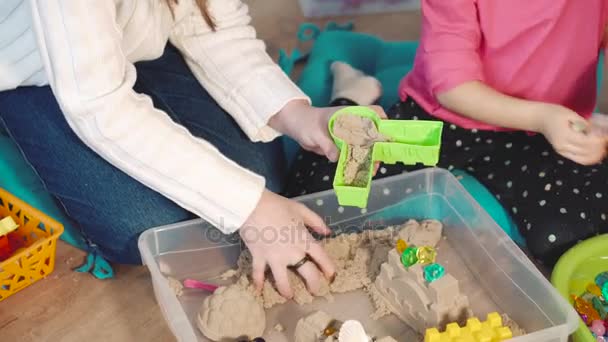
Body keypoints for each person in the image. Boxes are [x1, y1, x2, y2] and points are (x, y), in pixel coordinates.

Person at [0, 0, 385, 298]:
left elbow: (216, 27)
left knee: (258, 175)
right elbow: (100, 106)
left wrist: (298, 115)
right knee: (145, 228)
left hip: (133, 39)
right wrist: (251, 206)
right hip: (38, 70)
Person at [286, 0, 608, 266]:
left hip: (541, 133)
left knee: (573, 236)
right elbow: (453, 89)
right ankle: (354, 95)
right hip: (445, 117)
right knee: (315, 198)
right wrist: (542, 116)